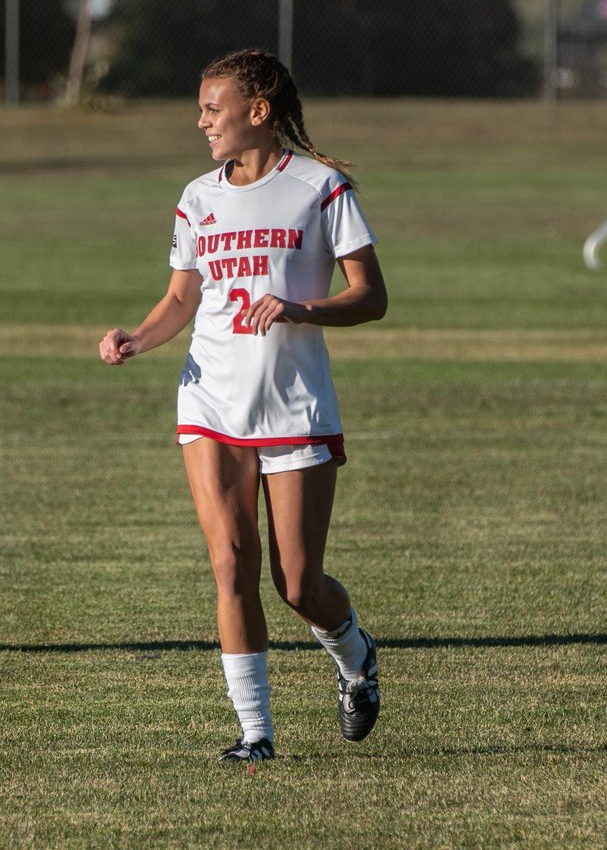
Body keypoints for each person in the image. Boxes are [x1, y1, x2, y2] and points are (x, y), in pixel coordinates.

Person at [99, 49, 387, 762]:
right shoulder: (198, 196)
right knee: (230, 563)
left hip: (294, 406)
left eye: (212, 108)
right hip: (212, 398)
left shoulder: (322, 189)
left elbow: (370, 296)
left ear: (258, 112)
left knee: (298, 584)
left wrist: (298, 306)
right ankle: (255, 733)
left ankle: (355, 657)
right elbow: (180, 299)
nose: (201, 121)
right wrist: (136, 337)